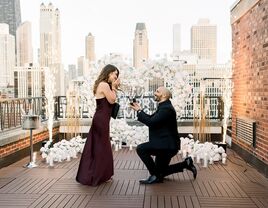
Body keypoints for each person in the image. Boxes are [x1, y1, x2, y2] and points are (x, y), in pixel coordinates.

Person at [130, 86, 197, 184]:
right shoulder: (163, 107)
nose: (154, 93)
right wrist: (139, 110)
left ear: (164, 95)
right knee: (161, 171)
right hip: (165, 144)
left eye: (157, 91)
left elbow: (151, 122)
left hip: (166, 146)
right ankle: (185, 164)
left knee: (141, 149)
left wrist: (140, 111)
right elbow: (152, 119)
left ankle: (156, 176)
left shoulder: (166, 109)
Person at [76, 64, 120, 186]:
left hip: (102, 119)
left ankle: (100, 174)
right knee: (101, 146)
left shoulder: (103, 84)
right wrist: (115, 88)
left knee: (100, 146)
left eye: (116, 74)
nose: (115, 76)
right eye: (113, 73)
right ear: (108, 73)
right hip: (101, 120)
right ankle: (96, 175)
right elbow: (112, 100)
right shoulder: (104, 85)